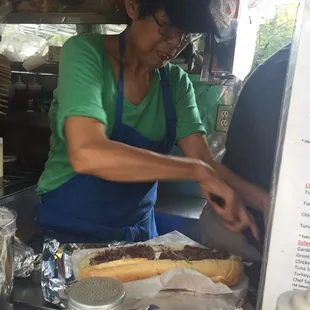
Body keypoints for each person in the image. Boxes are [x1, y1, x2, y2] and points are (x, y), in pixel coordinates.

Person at [37, 0, 267, 242]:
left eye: (185, 35)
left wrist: (267, 203)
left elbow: (205, 163)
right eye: (168, 27)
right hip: (70, 231)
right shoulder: (85, 53)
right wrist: (196, 171)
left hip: (138, 236)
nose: (175, 43)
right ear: (133, 7)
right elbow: (87, 153)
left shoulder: (176, 83)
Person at [198, 44, 291, 260]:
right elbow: (201, 162)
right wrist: (265, 201)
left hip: (262, 226)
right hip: (241, 230)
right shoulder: (286, 75)